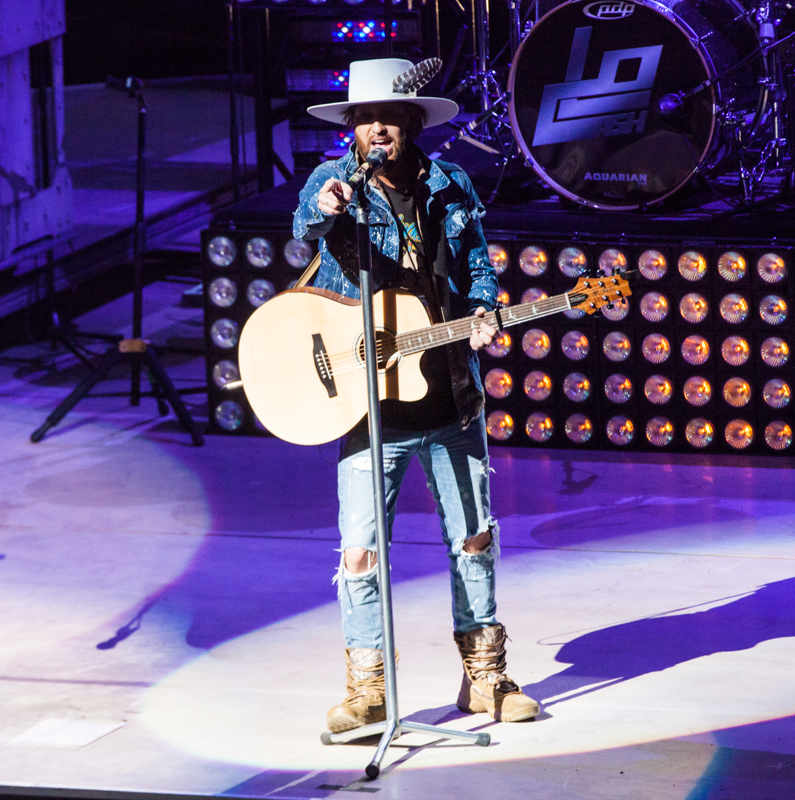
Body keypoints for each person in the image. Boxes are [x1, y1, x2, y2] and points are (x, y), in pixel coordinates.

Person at [293, 58, 539, 733]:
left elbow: (478, 265)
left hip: (449, 395)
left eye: (389, 120)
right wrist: (326, 209)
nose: (376, 129)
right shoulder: (335, 183)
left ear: (410, 125)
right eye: (364, 120)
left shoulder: (451, 185)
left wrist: (486, 309)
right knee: (361, 551)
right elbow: (303, 231)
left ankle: (484, 677)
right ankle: (368, 688)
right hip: (370, 405)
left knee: (473, 540)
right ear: (352, 128)